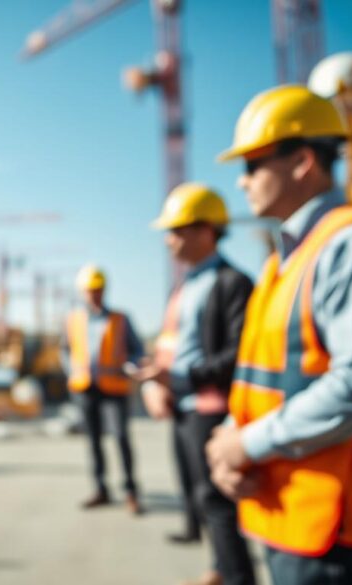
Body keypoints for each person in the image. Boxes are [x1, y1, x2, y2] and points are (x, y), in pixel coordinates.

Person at [205, 85, 352, 585]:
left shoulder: (348, 246)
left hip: (338, 533)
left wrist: (249, 444)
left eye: (252, 166)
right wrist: (230, 442)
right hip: (292, 516)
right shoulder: (287, 259)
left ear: (302, 161)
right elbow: (265, 375)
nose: (243, 183)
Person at [136, 183, 256, 585]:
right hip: (183, 406)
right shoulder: (184, 286)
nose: (169, 240)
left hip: (212, 409)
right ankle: (219, 568)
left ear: (206, 229)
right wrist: (157, 383)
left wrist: (180, 378)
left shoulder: (232, 283)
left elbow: (237, 356)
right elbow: (173, 346)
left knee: (218, 503)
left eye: (177, 229)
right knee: (198, 496)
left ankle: (237, 575)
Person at [62, 265, 144, 515]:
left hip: (115, 387)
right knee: (94, 441)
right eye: (89, 291)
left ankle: (130, 491)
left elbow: (137, 349)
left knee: (120, 438)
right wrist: (71, 372)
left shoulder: (120, 319)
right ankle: (101, 489)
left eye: (97, 290)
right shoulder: (74, 319)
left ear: (104, 290)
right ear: (82, 292)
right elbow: (64, 349)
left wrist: (131, 365)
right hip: (85, 388)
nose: (94, 295)